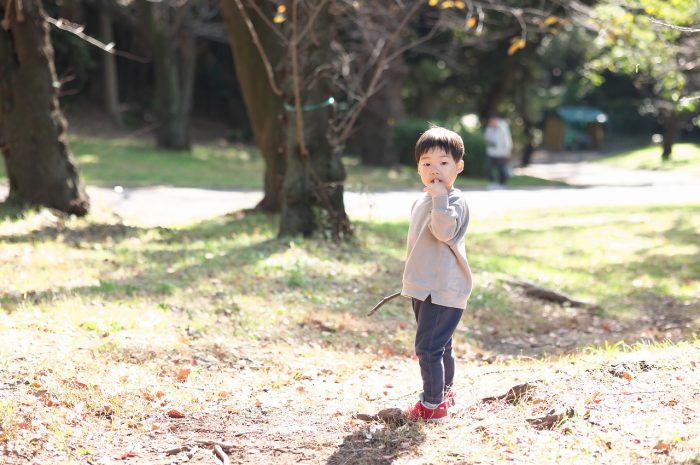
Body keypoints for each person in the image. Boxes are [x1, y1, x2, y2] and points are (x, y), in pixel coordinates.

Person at [401, 126, 473, 422]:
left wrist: (440, 198)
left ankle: (433, 405)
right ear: (418, 168)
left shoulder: (453, 201)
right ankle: (444, 393)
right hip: (424, 286)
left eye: (443, 163)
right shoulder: (423, 200)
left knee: (428, 348)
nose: (435, 170)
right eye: (426, 163)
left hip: (445, 288)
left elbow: (444, 232)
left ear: (458, 167)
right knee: (440, 346)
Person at [483, 115, 513, 187]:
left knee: (501, 169)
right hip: (492, 152)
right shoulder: (489, 128)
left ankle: (502, 184)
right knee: (488, 167)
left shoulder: (503, 127)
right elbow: (486, 138)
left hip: (502, 153)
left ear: (495, 120)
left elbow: (507, 140)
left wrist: (508, 151)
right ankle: (492, 182)